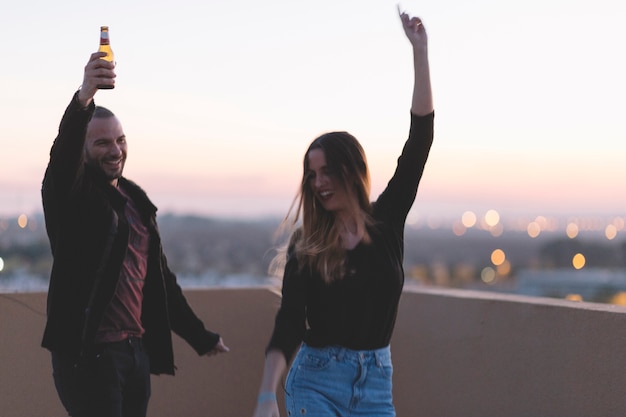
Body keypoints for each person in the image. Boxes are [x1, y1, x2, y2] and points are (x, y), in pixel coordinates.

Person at [252, 8, 434, 417]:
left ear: (352, 170)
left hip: (376, 382)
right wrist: (266, 394)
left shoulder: (387, 221)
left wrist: (420, 53)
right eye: (311, 175)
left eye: (327, 171)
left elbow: (420, 141)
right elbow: (289, 322)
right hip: (316, 381)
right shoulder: (309, 246)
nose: (318, 183)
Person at [41, 52, 229, 417]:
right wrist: (84, 97)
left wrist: (199, 336)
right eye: (102, 143)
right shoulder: (72, 197)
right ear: (82, 149)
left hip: (134, 354)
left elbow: (159, 281)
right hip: (90, 359)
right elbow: (62, 161)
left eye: (120, 140)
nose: (115, 150)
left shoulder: (135, 201)